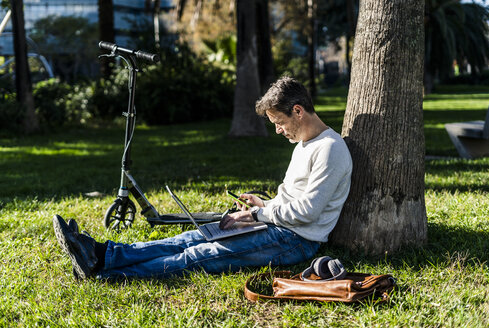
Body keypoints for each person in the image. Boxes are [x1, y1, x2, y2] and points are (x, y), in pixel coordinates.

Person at [53, 76, 353, 280]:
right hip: (276, 224)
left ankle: (105, 275)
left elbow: (309, 212)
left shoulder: (330, 149)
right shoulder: (304, 143)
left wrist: (259, 213)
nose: (278, 130)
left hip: (295, 240)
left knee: (200, 254)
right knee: (191, 237)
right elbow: (294, 200)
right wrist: (263, 205)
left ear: (298, 111)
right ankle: (101, 253)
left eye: (279, 122)